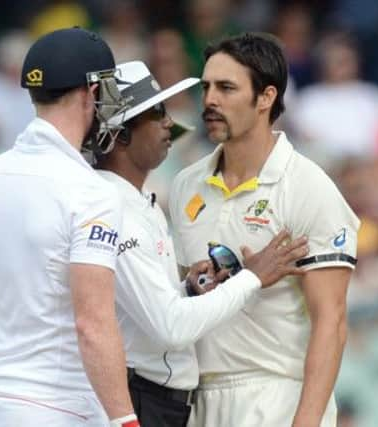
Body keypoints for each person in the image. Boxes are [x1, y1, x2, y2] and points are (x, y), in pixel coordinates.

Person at [92, 60, 309, 427]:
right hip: (140, 400)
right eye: (156, 112)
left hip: (157, 399)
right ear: (121, 135)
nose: (168, 123)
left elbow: (143, 312)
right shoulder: (112, 208)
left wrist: (188, 290)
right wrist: (251, 278)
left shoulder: (136, 202)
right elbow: (170, 328)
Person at [0, 28, 139, 427]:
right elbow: (93, 324)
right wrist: (126, 421)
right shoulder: (90, 192)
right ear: (90, 92)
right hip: (63, 407)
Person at [169, 33, 361, 427]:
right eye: (206, 87)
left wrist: (305, 422)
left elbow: (332, 320)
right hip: (196, 398)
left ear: (266, 97)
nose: (210, 100)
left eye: (226, 88)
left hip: (275, 395)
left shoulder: (307, 185)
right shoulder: (186, 184)